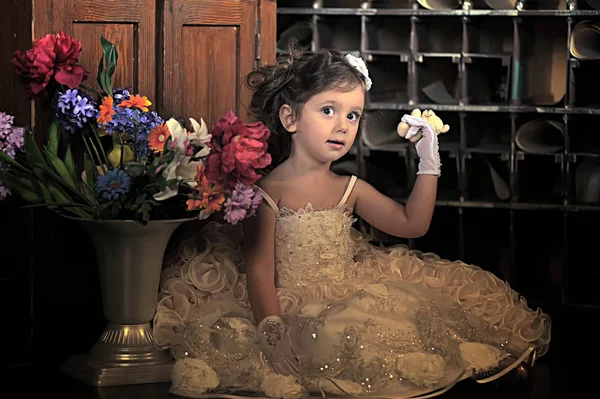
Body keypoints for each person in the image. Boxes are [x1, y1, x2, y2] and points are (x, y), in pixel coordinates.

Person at [152, 41, 551, 399]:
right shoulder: (266, 192)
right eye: (329, 110)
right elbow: (258, 271)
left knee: (407, 323)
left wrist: (429, 161)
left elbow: (413, 225)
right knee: (334, 340)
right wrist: (272, 335)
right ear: (290, 118)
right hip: (287, 302)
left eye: (354, 115)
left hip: (348, 290)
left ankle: (486, 370)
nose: (343, 126)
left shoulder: (351, 187)